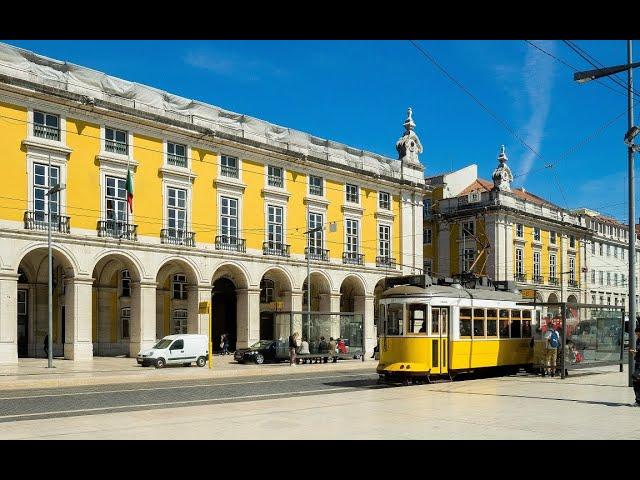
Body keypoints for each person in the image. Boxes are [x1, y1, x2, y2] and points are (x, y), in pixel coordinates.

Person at [630, 326, 640, 407]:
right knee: (636, 380)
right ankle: (638, 400)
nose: (637, 335)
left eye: (638, 333)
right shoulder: (638, 340)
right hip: (638, 363)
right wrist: (635, 353)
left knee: (635, 377)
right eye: (636, 334)